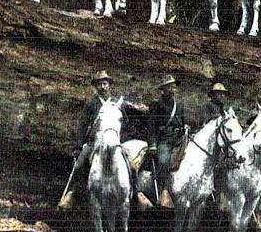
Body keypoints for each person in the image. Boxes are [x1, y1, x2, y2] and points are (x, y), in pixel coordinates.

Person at [57, 70, 147, 210]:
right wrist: (79, 145)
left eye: (105, 83)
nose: (103, 87)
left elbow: (126, 124)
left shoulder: (118, 103)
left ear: (110, 85)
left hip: (115, 142)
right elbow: (83, 126)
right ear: (96, 87)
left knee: (131, 164)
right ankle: (72, 194)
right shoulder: (91, 104)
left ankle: (136, 193)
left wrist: (123, 140)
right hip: (95, 143)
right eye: (99, 84)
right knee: (80, 165)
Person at [147, 75, 188, 209]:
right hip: (164, 140)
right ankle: (162, 192)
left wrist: (186, 128)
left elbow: (182, 122)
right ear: (163, 89)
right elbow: (151, 126)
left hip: (179, 139)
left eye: (173, 86)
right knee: (164, 161)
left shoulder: (179, 105)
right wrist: (152, 145)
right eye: (169, 86)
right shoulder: (157, 105)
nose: (173, 88)